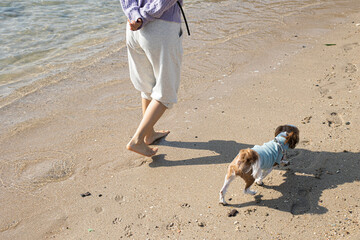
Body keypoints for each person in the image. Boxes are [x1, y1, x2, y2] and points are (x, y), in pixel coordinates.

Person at [119, 0, 184, 156]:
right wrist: (144, 16)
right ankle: (138, 140)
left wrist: (135, 15)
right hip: (161, 28)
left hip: (133, 28)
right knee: (165, 91)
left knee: (147, 84)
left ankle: (149, 134)